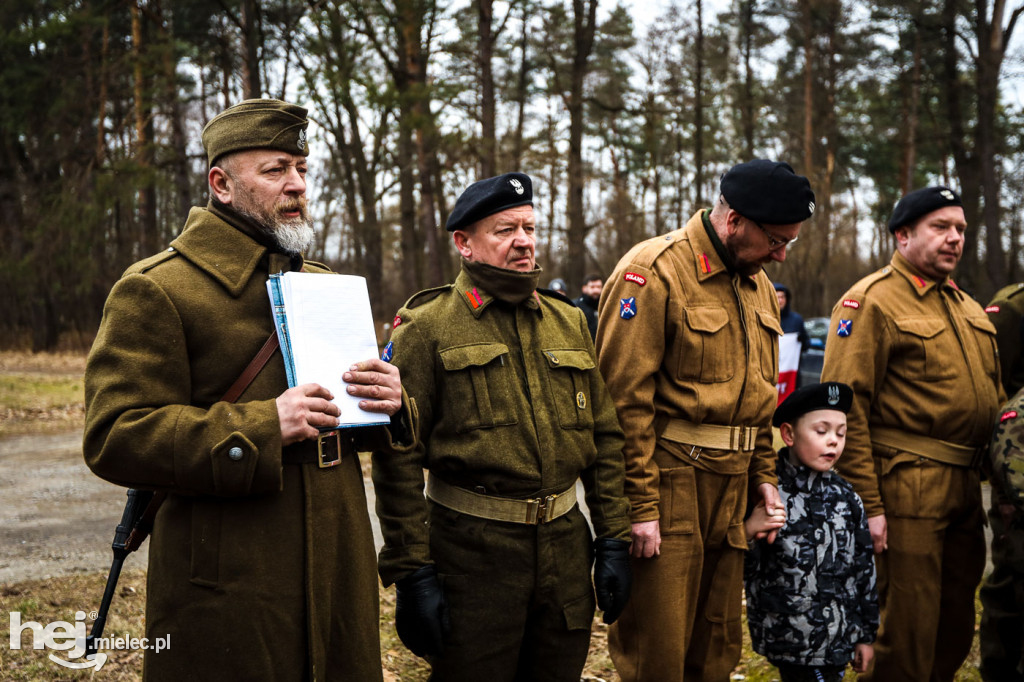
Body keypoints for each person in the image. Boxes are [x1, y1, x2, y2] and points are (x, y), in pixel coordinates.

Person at [83, 99, 416, 681]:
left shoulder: (325, 286)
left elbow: (352, 425)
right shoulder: (157, 289)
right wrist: (264, 425)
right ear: (222, 183)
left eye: (302, 169)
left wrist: (389, 402)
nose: (297, 185)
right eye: (276, 170)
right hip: (228, 581)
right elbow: (115, 435)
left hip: (337, 570)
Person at [371, 172, 632, 681]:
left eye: (529, 228)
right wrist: (412, 573)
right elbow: (396, 455)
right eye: (504, 229)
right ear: (464, 244)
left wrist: (614, 539)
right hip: (472, 558)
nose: (523, 241)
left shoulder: (569, 321)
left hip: (564, 551)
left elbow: (604, 438)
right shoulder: (427, 327)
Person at [596, 158, 816, 681]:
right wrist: (640, 505)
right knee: (659, 651)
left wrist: (764, 476)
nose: (781, 255)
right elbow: (622, 403)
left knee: (716, 649)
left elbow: (761, 398)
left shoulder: (758, 283)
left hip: (734, 488)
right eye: (775, 240)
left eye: (791, 242)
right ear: (734, 220)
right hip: (671, 487)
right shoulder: (654, 271)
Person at [820, 185, 1004, 681]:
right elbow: (842, 410)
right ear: (903, 236)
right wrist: (868, 506)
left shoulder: (967, 307)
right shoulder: (871, 302)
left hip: (966, 487)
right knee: (906, 629)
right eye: (940, 228)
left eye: (961, 229)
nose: (954, 239)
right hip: (907, 486)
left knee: (953, 623)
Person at [744, 382, 879, 682]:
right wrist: (749, 530)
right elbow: (743, 570)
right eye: (822, 431)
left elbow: (863, 571)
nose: (833, 441)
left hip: (839, 639)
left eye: (841, 433)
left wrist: (865, 635)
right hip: (790, 638)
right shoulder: (769, 495)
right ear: (789, 435)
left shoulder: (848, 498)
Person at [980, 282, 1024, 681]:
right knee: (1012, 582)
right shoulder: (1012, 309)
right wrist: (1006, 483)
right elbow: (995, 392)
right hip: (1019, 472)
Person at [774, 282, 809, 402]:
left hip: (791, 375)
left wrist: (800, 340)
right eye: (776, 297)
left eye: (782, 297)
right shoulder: (766, 318)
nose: (779, 300)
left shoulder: (796, 320)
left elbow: (806, 345)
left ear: (787, 299)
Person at [574, 274, 603, 340]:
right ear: (584, 288)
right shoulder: (575, 307)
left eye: (599, 287)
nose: (596, 290)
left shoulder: (605, 306)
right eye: (592, 287)